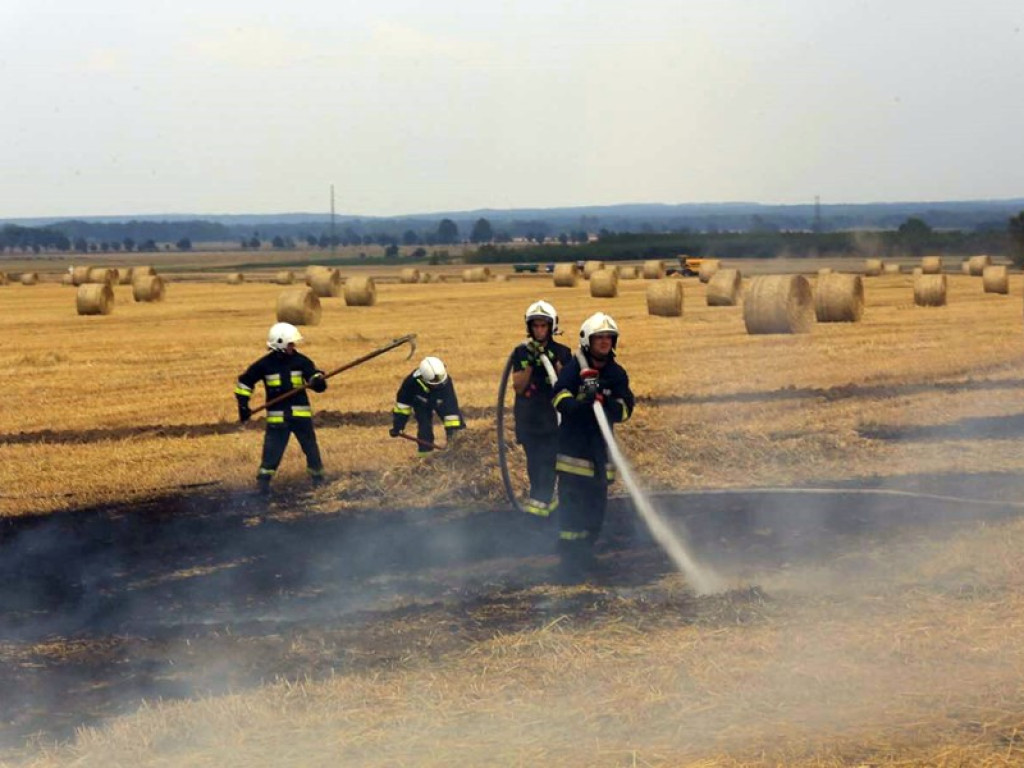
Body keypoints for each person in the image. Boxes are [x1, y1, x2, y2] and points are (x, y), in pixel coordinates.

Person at [551, 312, 635, 582]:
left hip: (600, 453)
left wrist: (605, 401)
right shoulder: (575, 368)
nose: (605, 342)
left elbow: (625, 410)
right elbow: (559, 399)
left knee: (596, 512)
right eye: (599, 338)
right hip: (573, 453)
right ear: (588, 340)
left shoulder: (616, 373)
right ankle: (569, 561)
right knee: (572, 511)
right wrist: (582, 401)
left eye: (609, 338)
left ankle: (585, 554)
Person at [234, 322, 328, 494]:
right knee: (271, 455)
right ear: (280, 343)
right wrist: (243, 406)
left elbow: (317, 382)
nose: (294, 347)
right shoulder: (264, 365)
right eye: (291, 344)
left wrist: (318, 380)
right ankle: (263, 485)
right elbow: (244, 383)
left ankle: (318, 481)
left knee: (312, 451)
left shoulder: (302, 361)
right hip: (278, 419)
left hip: (301, 417)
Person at [510, 300, 572, 519]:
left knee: (549, 462)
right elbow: (518, 387)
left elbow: (566, 383)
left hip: (553, 419)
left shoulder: (563, 352)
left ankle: (539, 506)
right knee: (534, 463)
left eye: (543, 326)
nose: (539, 330)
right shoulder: (520, 353)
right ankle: (544, 503)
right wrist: (528, 363)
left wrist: (553, 362)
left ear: (552, 326)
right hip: (529, 419)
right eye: (535, 326)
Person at [390, 356, 465, 455]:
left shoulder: (445, 383)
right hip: (421, 402)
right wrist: (398, 426)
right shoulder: (410, 384)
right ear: (424, 379)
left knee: (456, 425)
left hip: (441, 400)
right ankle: (425, 458)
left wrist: (453, 441)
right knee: (424, 427)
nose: (439, 384)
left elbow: (452, 412)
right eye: (435, 383)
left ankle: (462, 451)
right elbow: (403, 407)